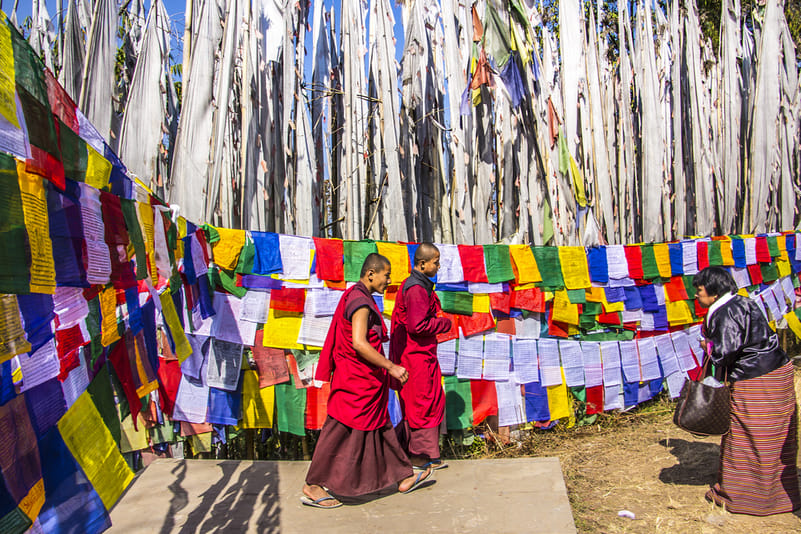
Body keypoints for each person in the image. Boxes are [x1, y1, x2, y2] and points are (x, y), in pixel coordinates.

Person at [302, 253, 433, 508]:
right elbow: (359, 343)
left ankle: (403, 476)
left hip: (365, 380)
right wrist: (391, 366)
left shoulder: (357, 296)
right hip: (355, 381)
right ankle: (313, 485)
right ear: (371, 273)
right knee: (337, 429)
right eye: (386, 274)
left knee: (381, 426)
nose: (389, 280)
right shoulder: (360, 302)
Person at [693, 266, 800, 516]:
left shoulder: (726, 312)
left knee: (747, 436)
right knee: (774, 438)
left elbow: (726, 349)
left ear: (713, 291)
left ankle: (746, 498)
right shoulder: (743, 302)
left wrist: (707, 345)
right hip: (777, 373)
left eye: (699, 290)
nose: (696, 296)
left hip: (757, 380)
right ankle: (778, 497)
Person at [390, 243, 453, 469]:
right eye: (435, 262)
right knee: (422, 403)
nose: (438, 266)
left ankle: (424, 454)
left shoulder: (420, 285)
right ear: (422, 264)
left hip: (422, 355)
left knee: (430, 400)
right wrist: (443, 323)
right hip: (414, 357)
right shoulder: (416, 289)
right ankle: (420, 456)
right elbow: (418, 325)